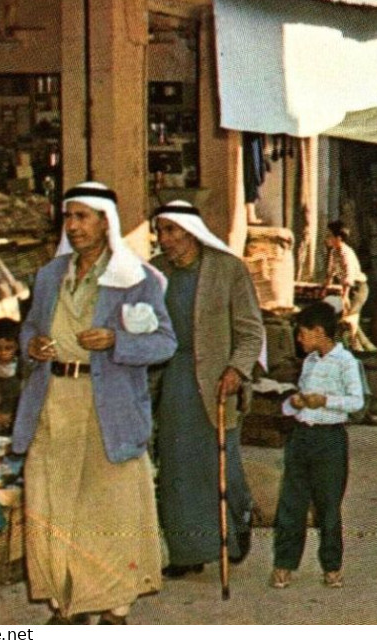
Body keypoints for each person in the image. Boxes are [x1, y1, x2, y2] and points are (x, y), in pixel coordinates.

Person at [12, 182, 176, 625]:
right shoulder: (50, 275)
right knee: (52, 502)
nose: (74, 226)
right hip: (54, 402)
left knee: (109, 506)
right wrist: (34, 346)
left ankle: (113, 604)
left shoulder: (137, 278)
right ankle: (65, 602)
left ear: (106, 221)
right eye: (69, 217)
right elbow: (27, 329)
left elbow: (164, 343)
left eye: (83, 217)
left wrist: (115, 341)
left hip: (111, 405)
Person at [150, 199, 265, 579]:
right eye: (160, 231)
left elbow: (250, 331)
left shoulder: (227, 269)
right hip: (174, 378)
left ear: (190, 232)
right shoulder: (156, 272)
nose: (163, 239)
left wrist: (237, 369)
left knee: (221, 464)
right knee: (178, 468)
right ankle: (188, 551)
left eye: (170, 230)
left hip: (219, 380)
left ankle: (239, 521)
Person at [270, 301, 365, 591]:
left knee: (328, 507)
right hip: (302, 437)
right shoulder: (309, 362)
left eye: (302, 333)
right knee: (291, 504)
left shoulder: (346, 362)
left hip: (329, 440)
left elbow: (356, 402)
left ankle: (332, 567)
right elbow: (297, 400)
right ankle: (284, 564)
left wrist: (326, 401)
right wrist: (294, 403)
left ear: (319, 331)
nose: (299, 340)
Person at [325, 221, 375, 352]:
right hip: (347, 288)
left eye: (329, 236)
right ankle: (365, 347)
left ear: (338, 238)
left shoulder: (346, 253)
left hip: (358, 288)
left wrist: (345, 295)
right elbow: (331, 272)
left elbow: (349, 275)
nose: (327, 238)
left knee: (349, 318)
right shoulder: (334, 252)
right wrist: (327, 287)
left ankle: (356, 347)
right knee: (351, 319)